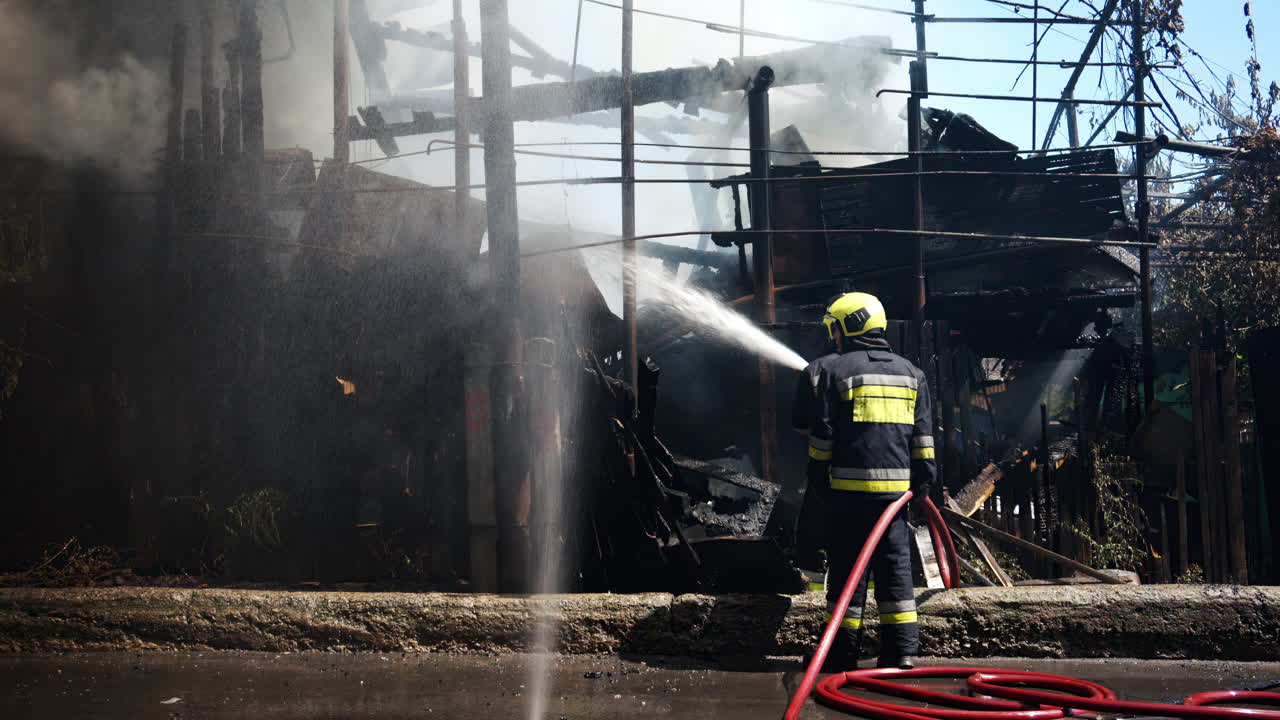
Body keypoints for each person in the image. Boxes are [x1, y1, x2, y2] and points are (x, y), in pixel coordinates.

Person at [800, 291, 936, 671]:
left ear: (849, 326)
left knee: (848, 574)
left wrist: (817, 475)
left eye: (835, 329)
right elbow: (923, 437)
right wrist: (923, 482)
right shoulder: (913, 374)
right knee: (896, 571)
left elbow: (823, 434)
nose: (833, 337)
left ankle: (843, 654)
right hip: (894, 500)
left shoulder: (835, 371)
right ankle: (902, 652)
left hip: (848, 497)